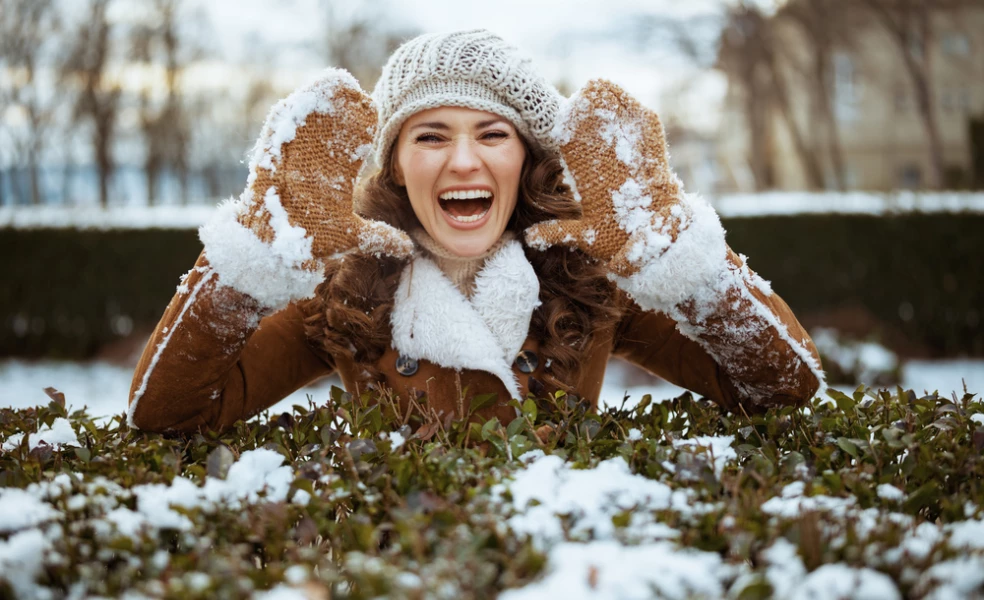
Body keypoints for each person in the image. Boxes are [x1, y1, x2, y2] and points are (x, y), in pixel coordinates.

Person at [126, 30, 825, 434]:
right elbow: (168, 415)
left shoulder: (590, 283)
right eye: (430, 136)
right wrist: (245, 266)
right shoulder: (344, 296)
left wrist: (685, 263)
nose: (464, 160)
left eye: (493, 134)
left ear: (527, 160)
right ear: (397, 166)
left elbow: (781, 388)